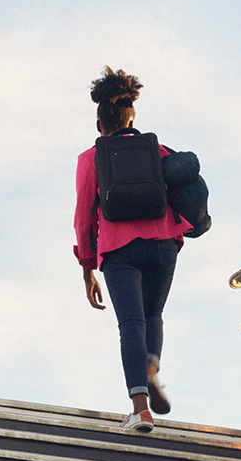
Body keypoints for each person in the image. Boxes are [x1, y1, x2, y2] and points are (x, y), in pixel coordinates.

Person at [73, 66, 189, 433]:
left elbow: (84, 218)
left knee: (131, 324)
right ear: (132, 118)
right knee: (153, 316)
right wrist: (174, 238)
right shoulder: (159, 150)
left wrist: (88, 268)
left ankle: (140, 410)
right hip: (164, 245)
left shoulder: (90, 158)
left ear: (100, 125)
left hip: (119, 251)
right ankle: (151, 369)